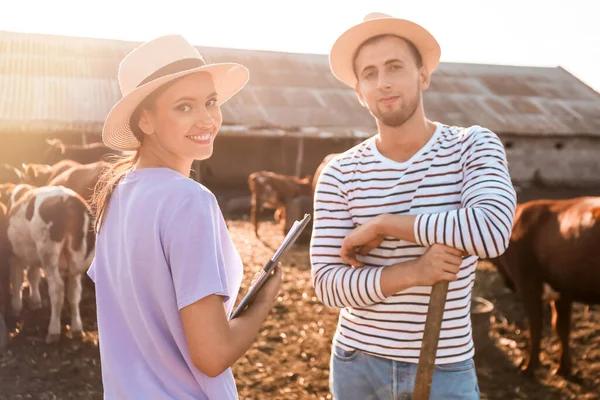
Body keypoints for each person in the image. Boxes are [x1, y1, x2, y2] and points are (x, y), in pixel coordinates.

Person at [310, 13, 517, 399]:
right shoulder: (341, 172)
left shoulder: (471, 147)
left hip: (444, 364)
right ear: (359, 91)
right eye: (369, 73)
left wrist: (387, 224)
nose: (383, 81)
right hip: (357, 364)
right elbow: (327, 285)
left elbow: (492, 231)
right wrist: (414, 271)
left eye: (395, 67)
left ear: (423, 76)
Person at [88, 34, 282, 400]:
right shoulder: (188, 200)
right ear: (145, 119)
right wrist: (265, 299)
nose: (207, 118)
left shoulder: (114, 196)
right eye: (184, 107)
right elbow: (212, 355)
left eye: (210, 102)